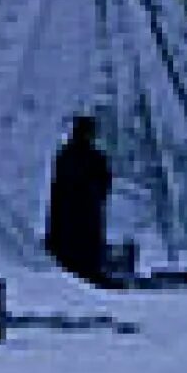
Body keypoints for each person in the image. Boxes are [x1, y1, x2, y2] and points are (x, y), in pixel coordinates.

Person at [44, 113, 113, 285]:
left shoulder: (66, 157)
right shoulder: (93, 159)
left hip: (70, 217)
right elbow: (104, 184)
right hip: (82, 216)